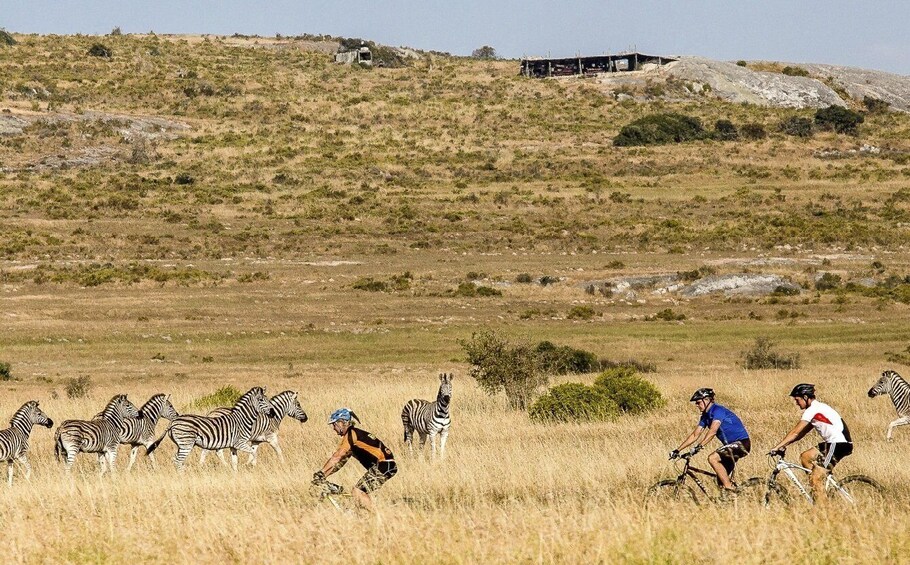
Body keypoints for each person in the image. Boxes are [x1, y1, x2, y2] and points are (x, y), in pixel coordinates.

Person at [768, 383, 853, 502]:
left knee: (815, 478)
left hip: (838, 444)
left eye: (797, 400)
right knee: (805, 457)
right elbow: (802, 433)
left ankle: (823, 509)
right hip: (832, 443)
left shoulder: (813, 410)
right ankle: (818, 489)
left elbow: (795, 432)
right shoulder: (817, 409)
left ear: (806, 397)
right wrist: (785, 445)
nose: (796, 403)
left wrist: (777, 447)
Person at [670, 388, 751, 496]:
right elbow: (695, 435)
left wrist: (699, 447)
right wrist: (677, 450)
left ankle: (729, 488)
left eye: (698, 402)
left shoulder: (718, 410)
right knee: (720, 481)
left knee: (712, 458)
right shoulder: (705, 417)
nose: (696, 405)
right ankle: (730, 501)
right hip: (730, 447)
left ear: (707, 400)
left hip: (742, 443)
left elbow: (713, 431)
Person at [312, 408, 397, 511]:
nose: (333, 428)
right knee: (358, 496)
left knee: (358, 492)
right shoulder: (353, 436)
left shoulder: (351, 435)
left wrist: (321, 472)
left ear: (341, 423)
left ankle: (377, 518)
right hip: (385, 466)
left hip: (384, 465)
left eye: (334, 425)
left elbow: (337, 456)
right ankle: (366, 517)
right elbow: (339, 463)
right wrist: (323, 476)